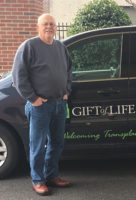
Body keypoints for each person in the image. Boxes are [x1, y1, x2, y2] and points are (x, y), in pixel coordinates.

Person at [12, 13, 72, 195]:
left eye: (52, 24)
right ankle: (38, 180)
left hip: (59, 104)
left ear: (55, 27)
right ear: (37, 27)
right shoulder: (29, 47)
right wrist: (33, 99)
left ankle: (51, 176)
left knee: (57, 143)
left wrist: (67, 90)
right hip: (40, 106)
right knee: (38, 145)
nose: (49, 27)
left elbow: (69, 70)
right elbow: (18, 77)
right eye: (45, 24)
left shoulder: (60, 47)